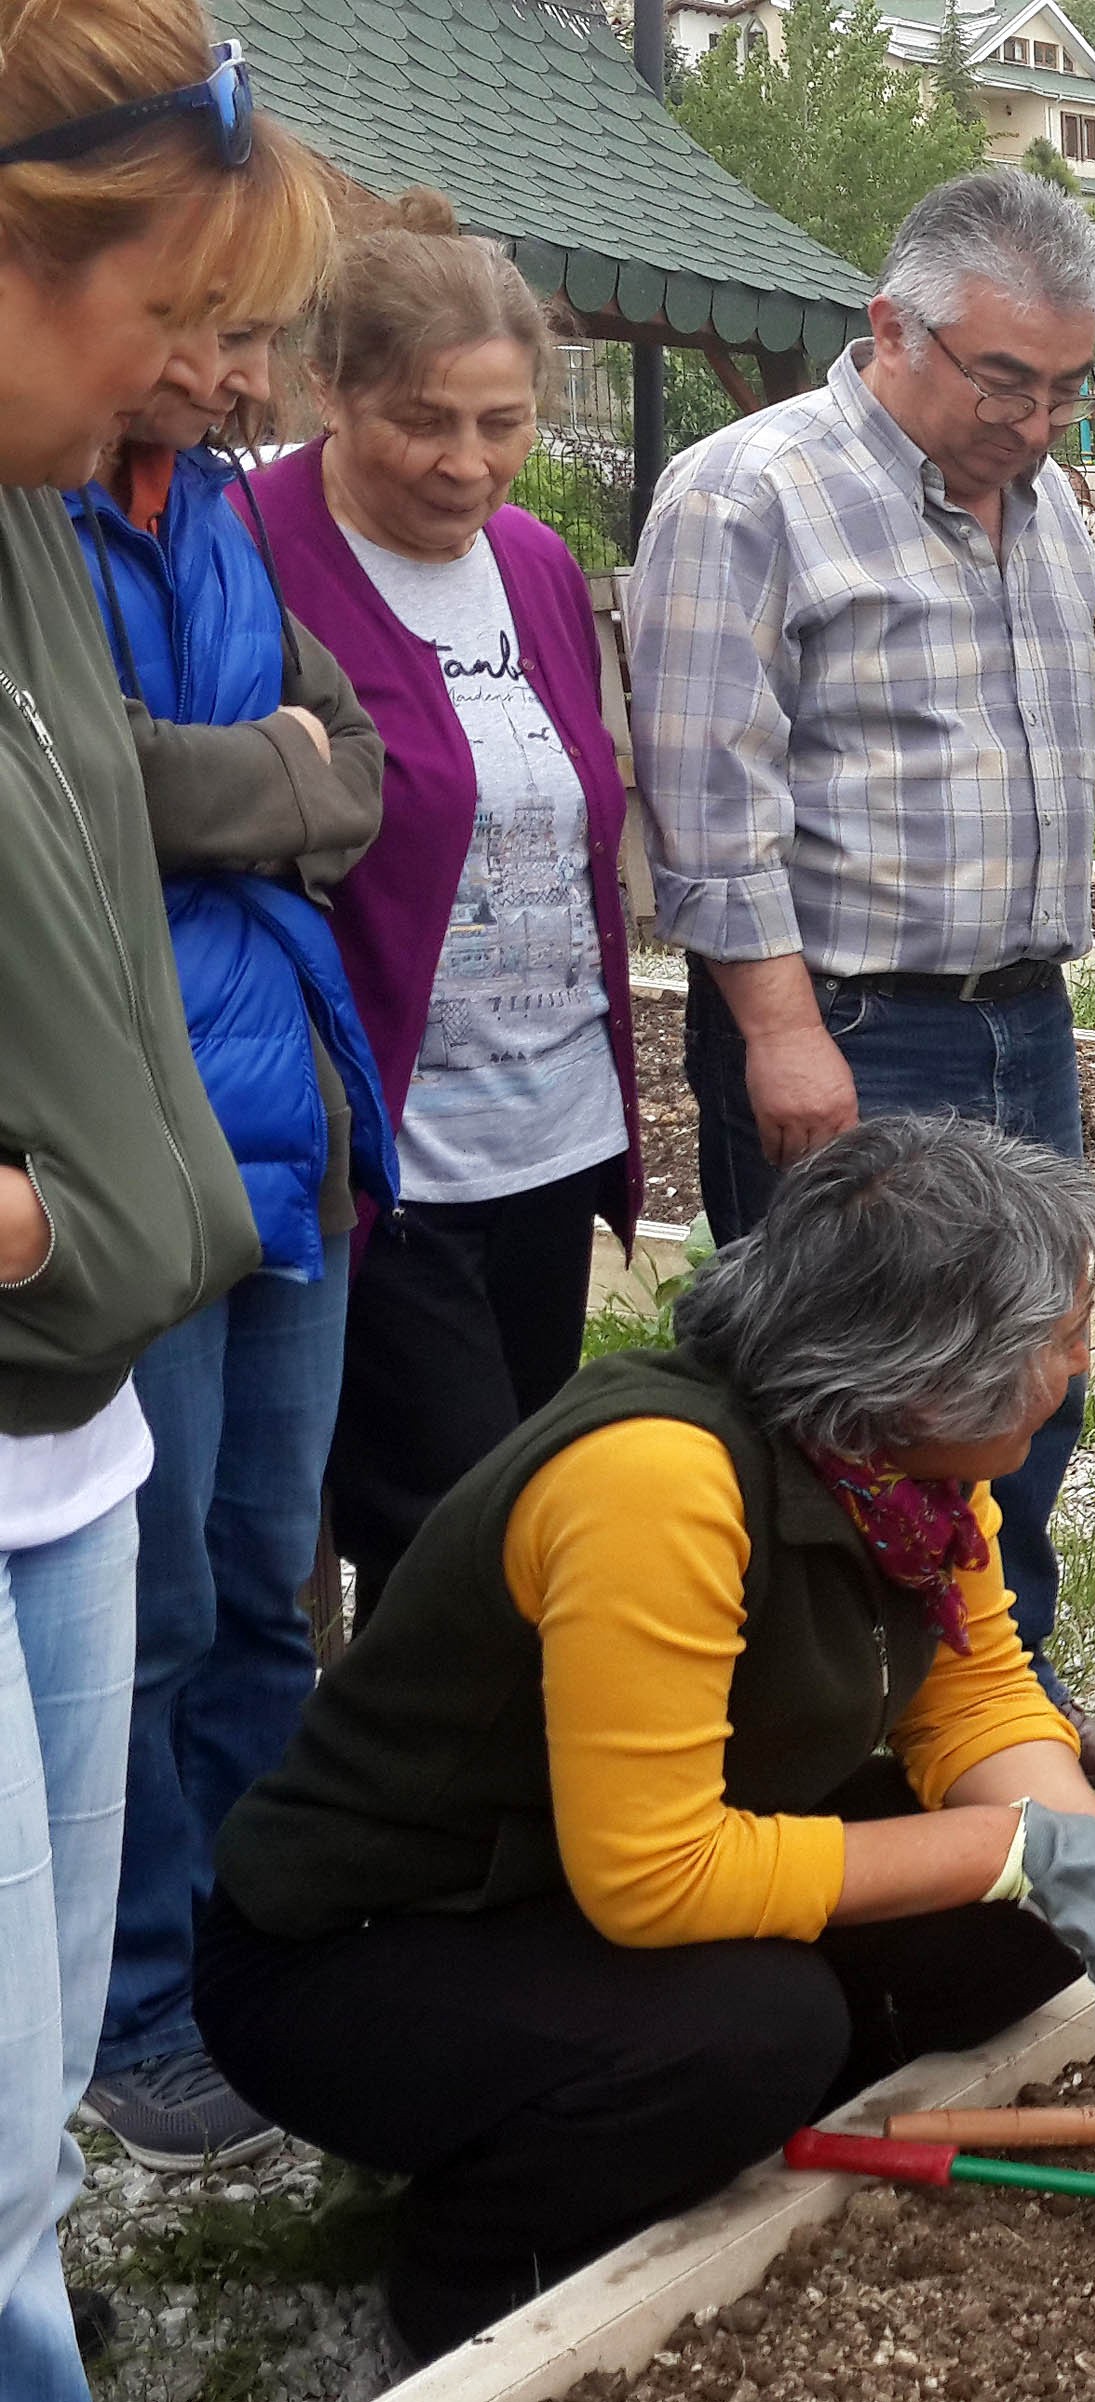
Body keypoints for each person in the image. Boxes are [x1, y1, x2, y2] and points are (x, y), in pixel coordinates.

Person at [197, 1115, 1095, 2364]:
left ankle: (700, 2142)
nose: (1078, 1365)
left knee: (1014, 1931)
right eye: (1059, 1339)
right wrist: (1017, 1846)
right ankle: (475, 2282)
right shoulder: (659, 1482)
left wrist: (1092, 1863)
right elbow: (654, 1877)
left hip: (557, 1887)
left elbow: (971, 1701)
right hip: (368, 1946)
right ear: (925, 1371)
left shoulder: (904, 1466)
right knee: (756, 2027)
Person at [630, 170, 1095, 1786]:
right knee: (856, 1407)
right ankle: (827, 1733)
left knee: (1029, 1384)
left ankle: (1005, 1704)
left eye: (1067, 385)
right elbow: (710, 795)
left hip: (1021, 1008)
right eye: (1006, 379)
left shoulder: (1050, 506)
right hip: (849, 1025)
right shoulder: (749, 498)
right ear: (890, 325)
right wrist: (779, 1032)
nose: (1038, 419)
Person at [0, 3, 323, 2386]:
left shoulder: (35, 528)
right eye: (160, 318)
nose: (185, 381)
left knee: (16, 2146)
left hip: (67, 1415)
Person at [66, 246, 396, 2175]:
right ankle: (131, 2002)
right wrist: (246, 776)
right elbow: (80, 781)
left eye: (258, 335)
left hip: (289, 1119)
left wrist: (238, 779)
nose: (239, 369)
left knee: (272, 1573)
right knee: (152, 1598)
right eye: (217, 332)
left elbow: (346, 769)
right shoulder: (41, 522)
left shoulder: (212, 517)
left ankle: (264, 1958)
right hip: (137, 1125)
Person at [248, 194, 642, 1619]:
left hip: (547, 1132)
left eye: (503, 422)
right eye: (425, 420)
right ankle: (446, 1823)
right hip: (384, 1153)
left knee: (525, 1509)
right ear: (329, 387)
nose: (468, 463)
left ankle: (477, 1817)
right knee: (457, 1541)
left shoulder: (531, 564)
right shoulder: (255, 547)